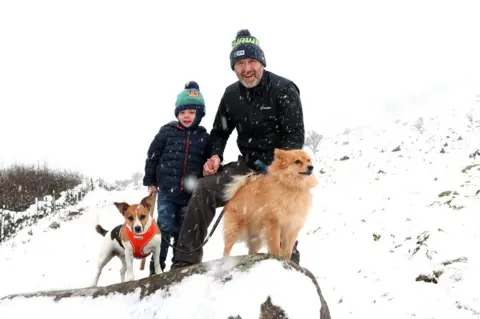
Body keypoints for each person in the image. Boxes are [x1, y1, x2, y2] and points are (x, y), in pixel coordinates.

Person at [170, 29, 305, 270]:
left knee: (279, 207)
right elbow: (220, 132)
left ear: (261, 61)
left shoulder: (284, 89)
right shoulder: (231, 95)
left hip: (280, 171)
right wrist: (215, 155)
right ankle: (183, 264)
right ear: (234, 67)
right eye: (240, 63)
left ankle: (289, 263)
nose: (247, 68)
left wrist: (275, 172)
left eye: (252, 61)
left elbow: (295, 139)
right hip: (246, 166)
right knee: (204, 188)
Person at [143, 81, 212, 275]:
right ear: (177, 114)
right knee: (163, 226)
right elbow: (153, 155)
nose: (186, 116)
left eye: (191, 112)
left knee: (184, 230)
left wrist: (210, 169)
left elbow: (209, 161)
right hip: (166, 190)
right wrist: (150, 181)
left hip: (190, 194)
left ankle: (178, 266)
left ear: (199, 114)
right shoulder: (167, 132)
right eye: (182, 112)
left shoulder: (204, 138)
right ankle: (156, 266)